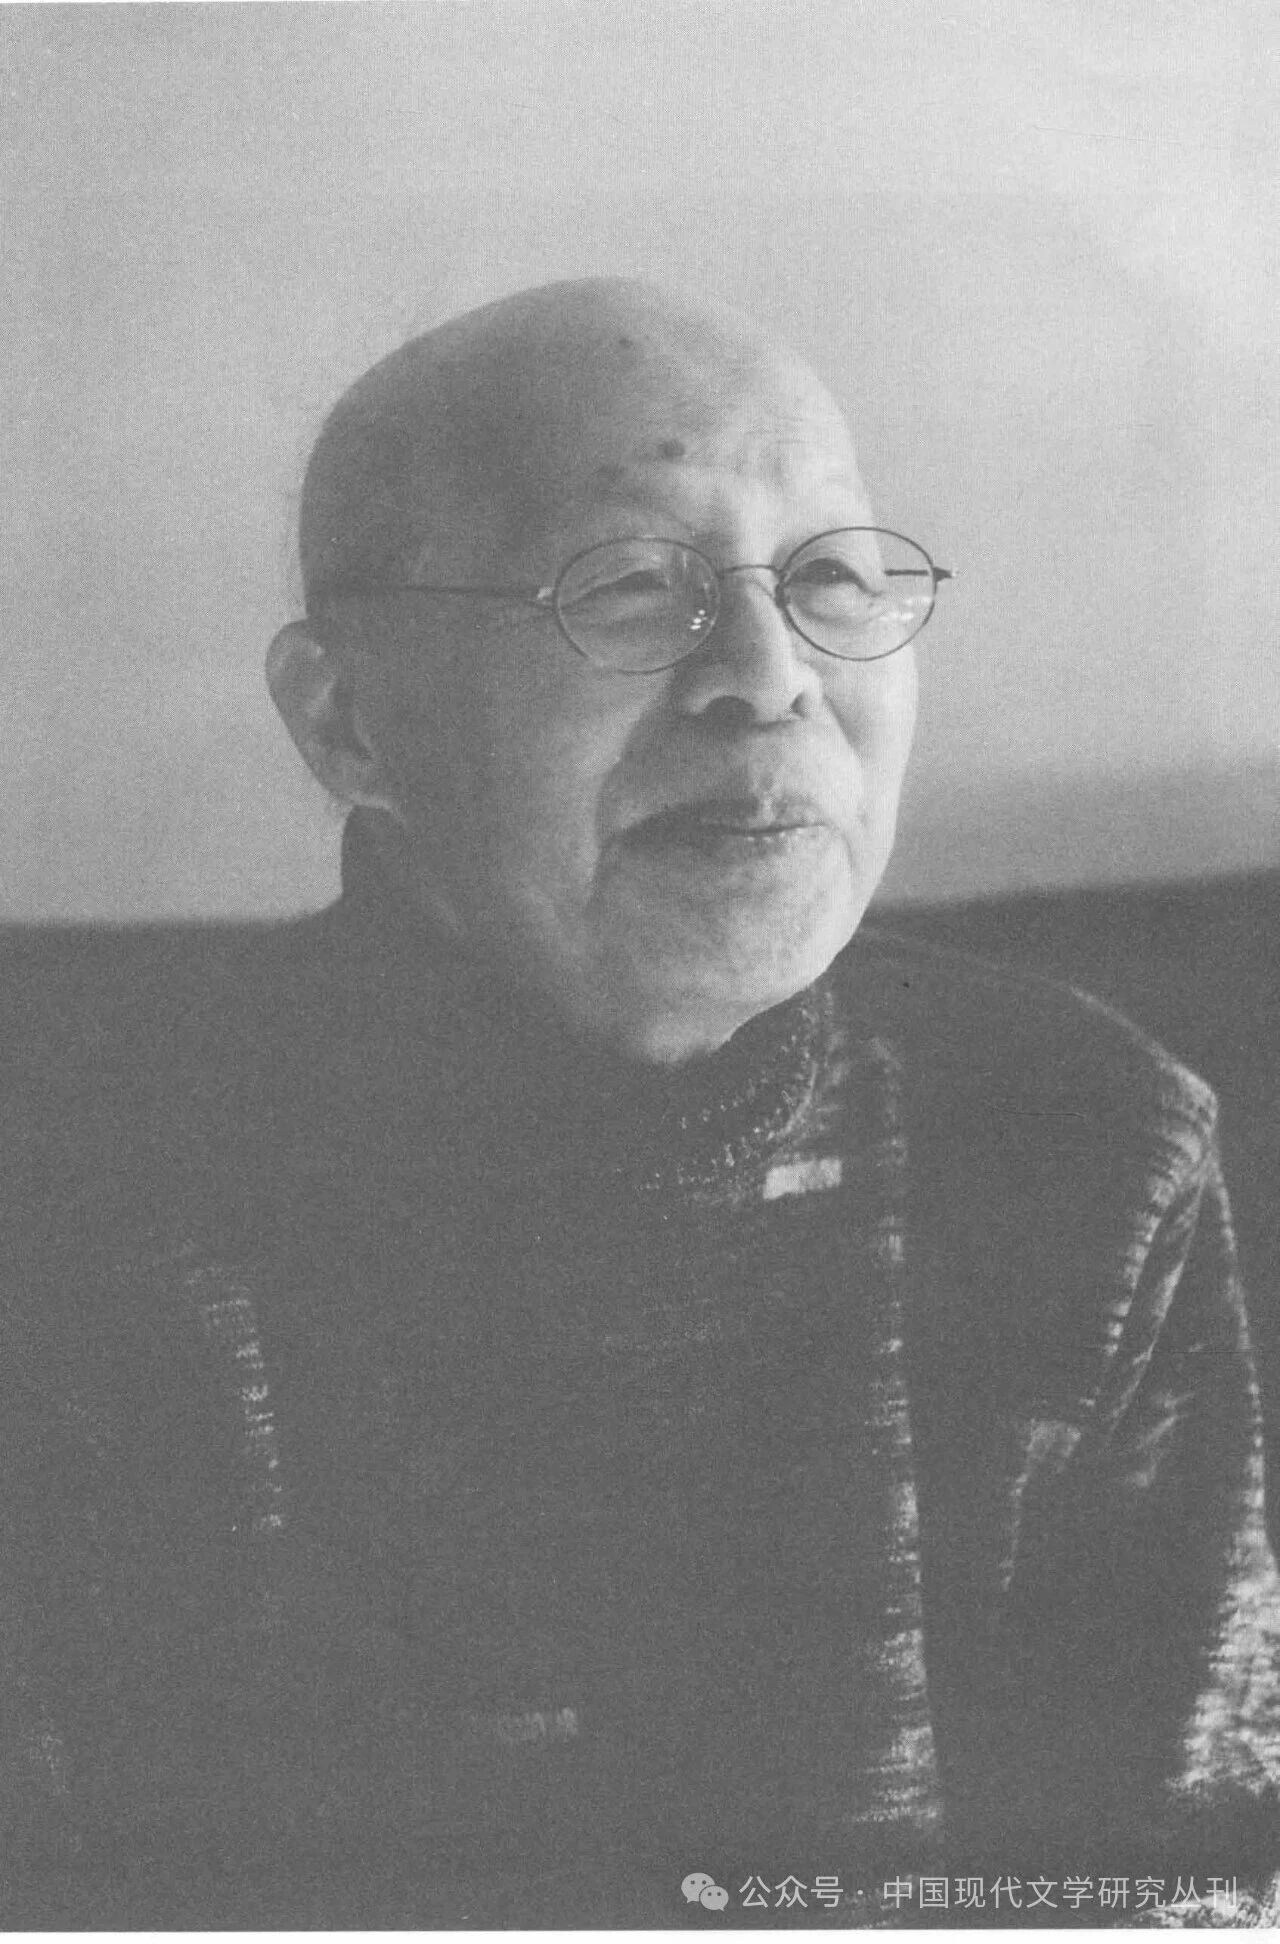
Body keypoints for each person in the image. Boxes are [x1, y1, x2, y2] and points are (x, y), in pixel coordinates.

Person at [3, 277, 1277, 1928]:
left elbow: (1176, 1881)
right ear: (348, 720)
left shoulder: (1089, 1143)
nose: (768, 676)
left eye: (829, 578)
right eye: (627, 586)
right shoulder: (75, 1207)